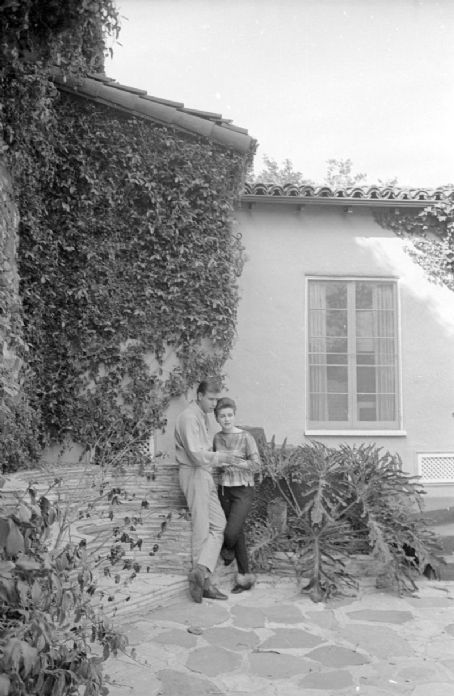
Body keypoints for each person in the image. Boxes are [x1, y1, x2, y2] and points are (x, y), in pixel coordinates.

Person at [174, 380, 243, 603]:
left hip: (203, 473)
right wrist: (221, 458)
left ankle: (201, 572)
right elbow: (195, 454)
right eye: (211, 399)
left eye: (217, 399)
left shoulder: (201, 416)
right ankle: (203, 584)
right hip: (194, 472)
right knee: (202, 528)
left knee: (219, 524)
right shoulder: (188, 417)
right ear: (200, 395)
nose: (215, 404)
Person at [213, 397, 260, 593]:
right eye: (222, 416)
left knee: (231, 532)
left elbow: (257, 465)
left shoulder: (246, 437)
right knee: (237, 532)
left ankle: (228, 551)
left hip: (243, 490)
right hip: (224, 489)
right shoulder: (216, 438)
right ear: (217, 418)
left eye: (230, 415)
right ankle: (244, 578)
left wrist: (235, 462)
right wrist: (219, 464)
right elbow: (215, 463)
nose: (226, 419)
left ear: (235, 415)